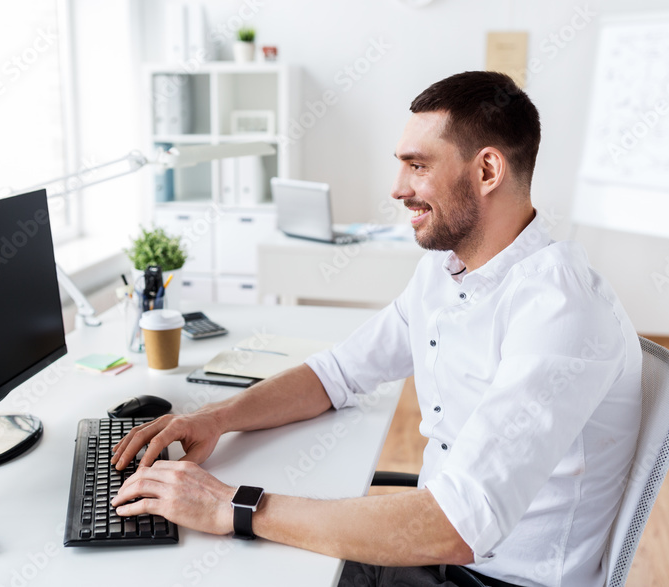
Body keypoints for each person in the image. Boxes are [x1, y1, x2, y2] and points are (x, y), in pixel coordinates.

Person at [111, 71, 641, 587]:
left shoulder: (560, 310)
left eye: (417, 166)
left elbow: (455, 526)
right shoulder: (445, 269)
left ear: (486, 172)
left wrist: (232, 505)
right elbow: (336, 373)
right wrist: (216, 418)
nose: (397, 189)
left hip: (482, 573)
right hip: (432, 552)